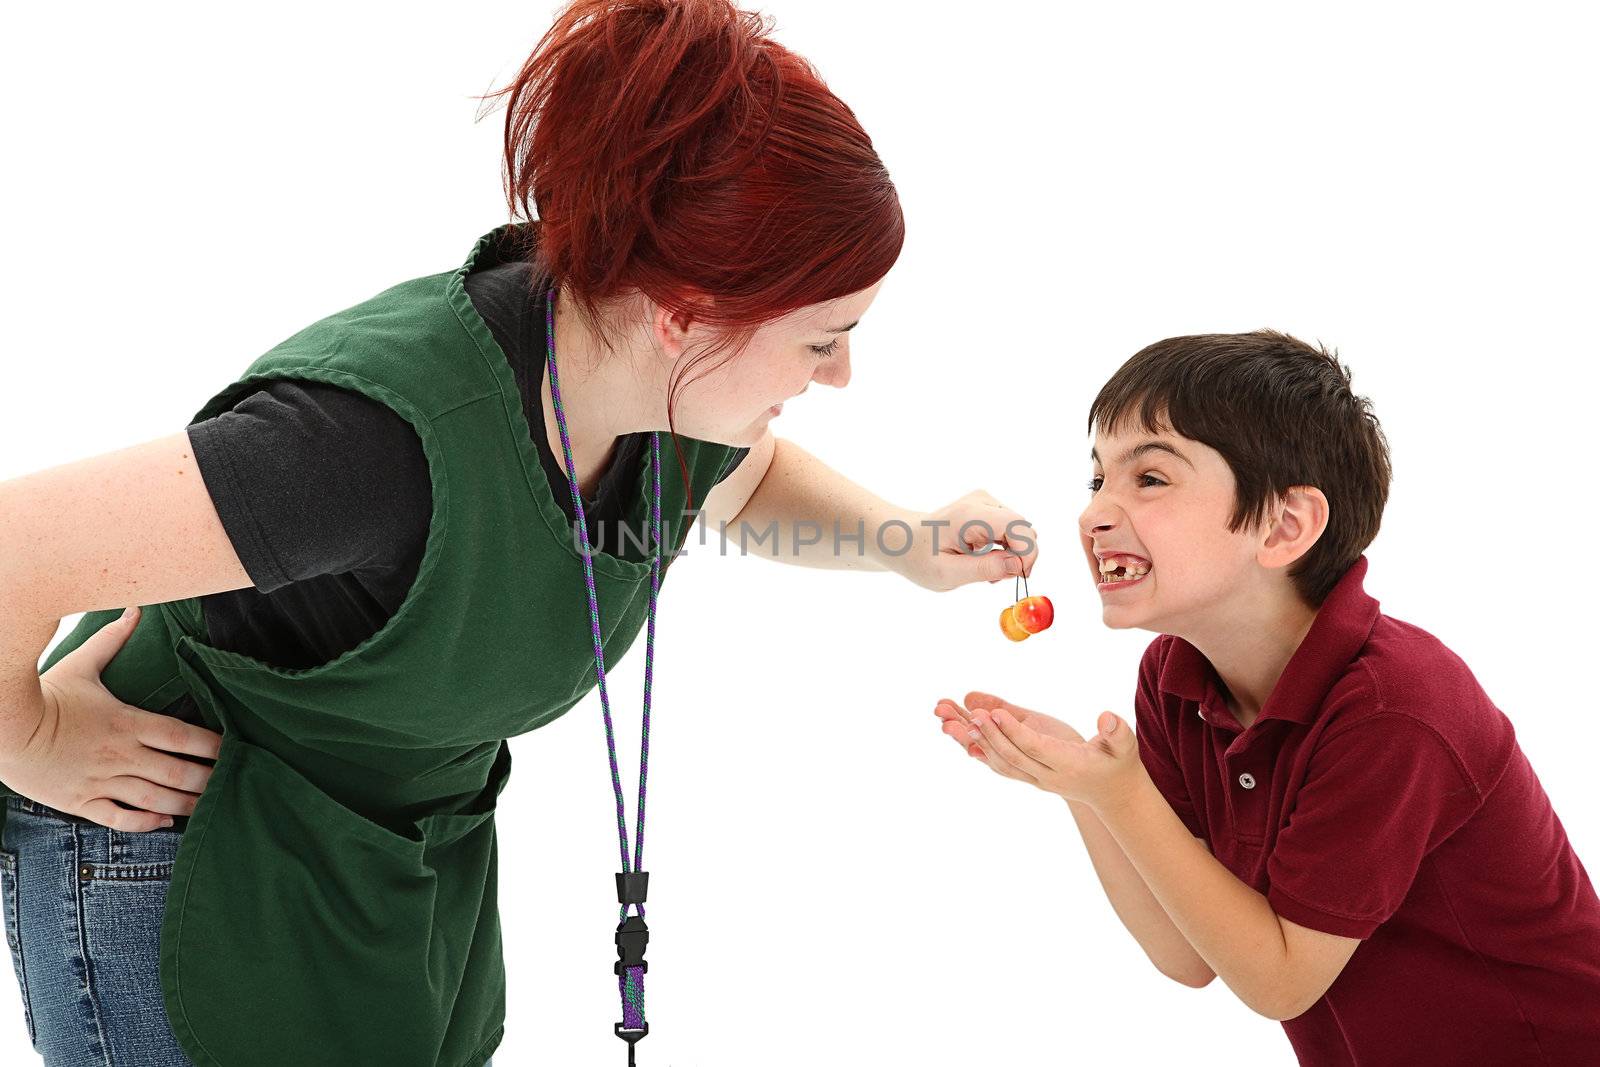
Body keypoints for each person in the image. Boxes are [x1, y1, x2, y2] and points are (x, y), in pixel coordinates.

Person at [0, 2, 1039, 1065]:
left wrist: (904, 541)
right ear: (684, 313)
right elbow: (10, 544)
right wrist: (26, 738)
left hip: (379, 853)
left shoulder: (649, 383)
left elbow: (738, 475)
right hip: (189, 851)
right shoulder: (371, 443)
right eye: (823, 338)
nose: (840, 376)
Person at [934, 330, 1600, 1065]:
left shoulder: (1395, 706)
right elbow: (1188, 954)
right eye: (1098, 481)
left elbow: (1281, 981)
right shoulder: (1174, 679)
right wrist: (1082, 788)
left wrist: (1120, 792)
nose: (1093, 514)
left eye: (1149, 478)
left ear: (1285, 526)